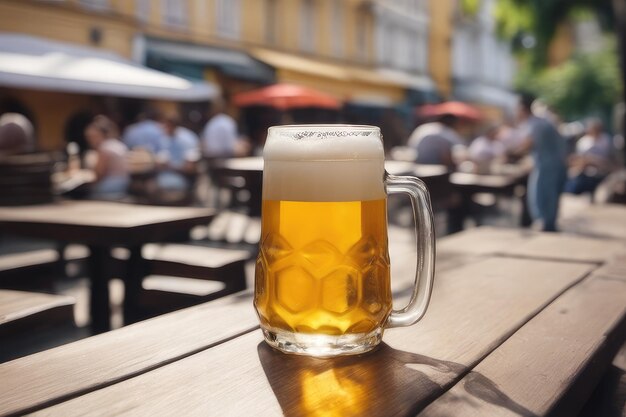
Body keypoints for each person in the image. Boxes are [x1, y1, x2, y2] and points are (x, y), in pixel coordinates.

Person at [515, 95, 567, 232]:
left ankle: (546, 224)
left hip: (546, 165)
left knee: (542, 196)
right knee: (548, 196)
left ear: (522, 108)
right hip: (552, 163)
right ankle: (548, 223)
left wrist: (509, 152)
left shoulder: (535, 123)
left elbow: (527, 144)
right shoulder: (543, 121)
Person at [565, 118, 615, 195]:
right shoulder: (583, 142)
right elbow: (580, 160)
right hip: (587, 170)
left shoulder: (606, 139)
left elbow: (611, 157)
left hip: (604, 169)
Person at [84, 115, 129, 200]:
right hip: (124, 183)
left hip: (110, 186)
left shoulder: (104, 148)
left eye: (91, 137)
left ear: (99, 135)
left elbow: (99, 173)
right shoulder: (118, 144)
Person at [155, 114, 200, 193]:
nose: (163, 129)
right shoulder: (165, 138)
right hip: (165, 175)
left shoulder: (188, 139)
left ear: (172, 126)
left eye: (165, 126)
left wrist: (171, 166)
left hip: (183, 177)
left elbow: (190, 167)